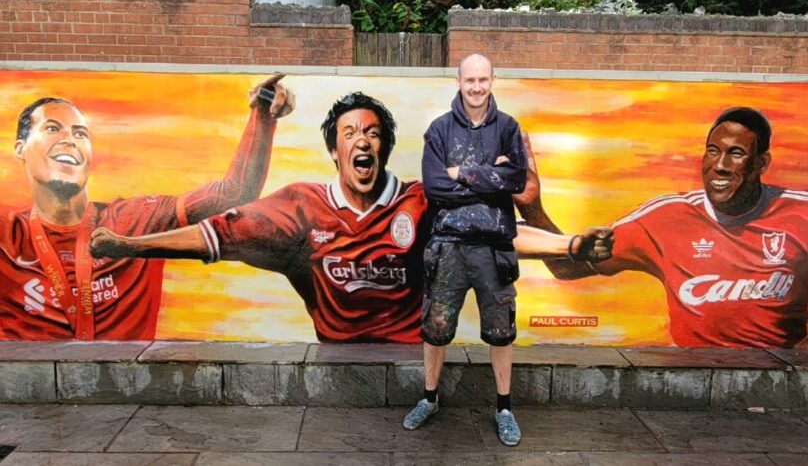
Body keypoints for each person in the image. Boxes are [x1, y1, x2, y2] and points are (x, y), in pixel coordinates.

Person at [89, 92, 611, 344]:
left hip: (410, 357)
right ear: (334, 152)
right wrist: (128, 245)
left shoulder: (419, 202)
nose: (361, 140)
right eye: (349, 133)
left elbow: (495, 233)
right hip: (334, 358)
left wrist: (565, 246)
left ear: (382, 148)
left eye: (372, 133)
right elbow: (211, 236)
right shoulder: (298, 209)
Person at [403, 54, 612, 447]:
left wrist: (463, 173)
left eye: (483, 79)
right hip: (447, 247)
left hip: (496, 248)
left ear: (493, 80)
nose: (477, 87)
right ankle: (429, 398)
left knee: (501, 334)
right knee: (435, 330)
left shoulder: (508, 129)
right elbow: (434, 186)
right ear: (458, 81)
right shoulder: (440, 130)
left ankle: (503, 408)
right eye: (470, 80)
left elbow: (516, 179)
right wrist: (490, 177)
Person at [0, 74, 295, 340]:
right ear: (20, 148)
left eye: (81, 134)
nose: (70, 140)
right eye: (53, 129)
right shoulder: (8, 236)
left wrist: (264, 115)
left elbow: (235, 194)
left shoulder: (135, 220)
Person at [518, 106, 808, 349]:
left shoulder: (800, 214)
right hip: (693, 384)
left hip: (780, 385)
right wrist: (532, 206)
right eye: (712, 151)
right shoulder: (665, 218)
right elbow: (567, 269)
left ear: (761, 163)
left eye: (736, 153)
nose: (720, 165)